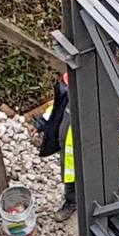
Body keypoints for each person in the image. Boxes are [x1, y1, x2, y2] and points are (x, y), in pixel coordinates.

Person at [32, 72, 75, 222]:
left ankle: (92, 203)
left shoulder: (93, 97)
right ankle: (72, 201)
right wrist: (40, 124)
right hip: (69, 149)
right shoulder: (67, 94)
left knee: (89, 176)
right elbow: (57, 109)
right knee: (70, 176)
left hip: (88, 148)